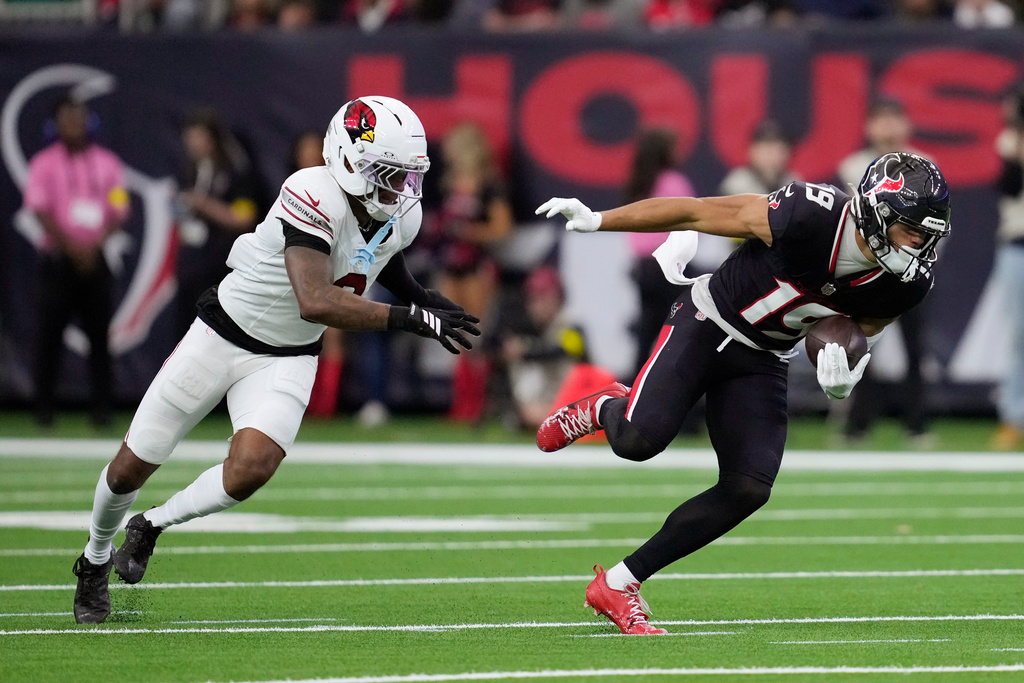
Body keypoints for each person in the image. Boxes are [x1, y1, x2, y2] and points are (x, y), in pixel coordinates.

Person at [70, 96, 480, 624]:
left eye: (407, 177)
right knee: (131, 466)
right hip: (222, 335)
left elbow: (380, 252)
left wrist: (420, 294)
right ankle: (95, 558)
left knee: (251, 469)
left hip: (289, 352)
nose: (401, 190)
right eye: (388, 174)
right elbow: (315, 298)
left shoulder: (403, 210)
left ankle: (151, 525)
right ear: (349, 160)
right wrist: (408, 318)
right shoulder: (312, 191)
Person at [535, 150, 951, 635]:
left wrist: (845, 380)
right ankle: (606, 405)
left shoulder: (907, 282)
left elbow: (862, 336)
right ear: (877, 214)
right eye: (911, 230)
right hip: (708, 320)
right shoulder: (809, 212)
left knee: (750, 485)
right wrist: (599, 219)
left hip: (764, 359)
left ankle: (621, 583)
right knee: (637, 442)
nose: (919, 245)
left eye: (928, 234)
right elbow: (694, 210)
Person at [22, 93, 130, 428]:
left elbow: (119, 208)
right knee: (49, 334)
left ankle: (102, 410)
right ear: (55, 125)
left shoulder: (108, 162)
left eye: (79, 117)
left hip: (96, 259)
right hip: (58, 259)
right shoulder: (44, 163)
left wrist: (94, 245)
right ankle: (44, 409)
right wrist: (71, 247)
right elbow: (39, 209)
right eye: (67, 118)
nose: (74, 124)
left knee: (100, 336)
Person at [836, 99, 931, 444]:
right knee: (858, 346)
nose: (888, 128)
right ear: (869, 127)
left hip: (910, 267)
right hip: (867, 271)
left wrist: (918, 261)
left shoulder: (925, 165)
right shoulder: (854, 166)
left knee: (916, 349)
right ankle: (859, 422)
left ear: (906, 124)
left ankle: (917, 423)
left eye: (895, 119)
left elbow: (937, 223)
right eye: (882, 120)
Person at [426, 122, 514, 422]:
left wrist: (469, 232)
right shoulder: (448, 182)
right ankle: (460, 403)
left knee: (476, 332)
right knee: (453, 331)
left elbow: (502, 228)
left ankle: (478, 403)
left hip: (477, 266)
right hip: (450, 265)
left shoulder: (491, 184)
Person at [173, 108, 260, 342]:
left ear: (213, 138)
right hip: (190, 267)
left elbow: (244, 217)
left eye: (199, 137)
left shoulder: (235, 173)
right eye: (189, 138)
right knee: (185, 335)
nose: (194, 144)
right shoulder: (189, 172)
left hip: (220, 269)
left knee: (215, 336)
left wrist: (203, 204)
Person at [621, 128, 697, 379]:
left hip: (643, 269)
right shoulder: (674, 183)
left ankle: (632, 393)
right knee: (681, 331)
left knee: (647, 332)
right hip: (668, 267)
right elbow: (693, 223)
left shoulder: (638, 185)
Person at [992, 90, 1024, 450]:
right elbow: (1009, 187)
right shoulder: (1009, 141)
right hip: (1018, 245)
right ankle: (1014, 417)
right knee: (1018, 336)